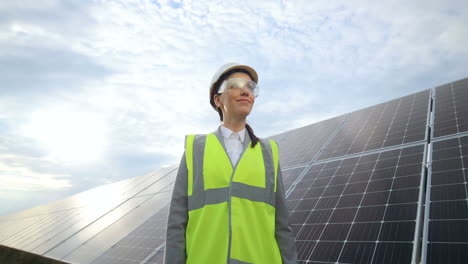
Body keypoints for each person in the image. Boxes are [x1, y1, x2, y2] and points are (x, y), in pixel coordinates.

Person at [164, 63, 298, 264]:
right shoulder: (195, 149)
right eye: (235, 84)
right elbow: (177, 223)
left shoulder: (269, 152)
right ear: (218, 99)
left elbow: (282, 225)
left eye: (251, 87)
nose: (246, 91)